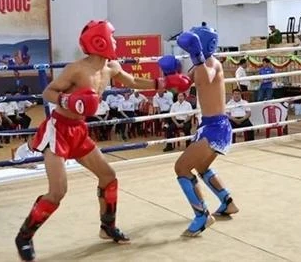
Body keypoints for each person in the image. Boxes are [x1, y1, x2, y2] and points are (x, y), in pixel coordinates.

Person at [14, 20, 192, 261]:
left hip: (79, 129)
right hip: (58, 130)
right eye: (113, 37)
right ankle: (24, 236)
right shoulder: (76, 69)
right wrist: (68, 100)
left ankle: (107, 227)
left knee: (108, 177)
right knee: (57, 192)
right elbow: (48, 92)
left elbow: (133, 82)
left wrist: (164, 83)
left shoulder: (111, 68)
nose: (116, 41)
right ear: (100, 41)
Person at [173, 24, 239, 237]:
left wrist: (197, 55)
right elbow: (182, 86)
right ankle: (227, 201)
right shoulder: (197, 65)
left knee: (181, 167)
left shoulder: (213, 63)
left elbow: (207, 77)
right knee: (201, 167)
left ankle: (202, 216)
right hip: (209, 126)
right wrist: (169, 74)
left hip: (216, 127)